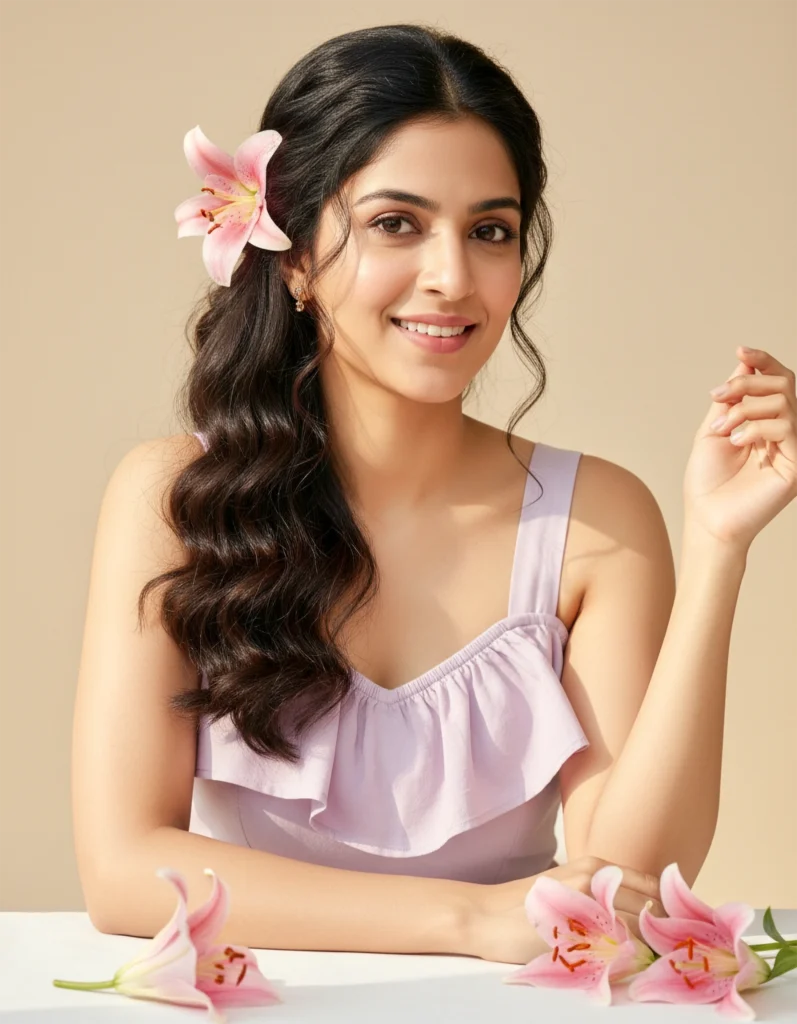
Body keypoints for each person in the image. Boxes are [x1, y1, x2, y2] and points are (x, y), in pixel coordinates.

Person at [70, 22, 797, 967]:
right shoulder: (172, 500)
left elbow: (631, 888)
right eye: (395, 224)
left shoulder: (596, 521)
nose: (452, 279)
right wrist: (468, 919)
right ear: (291, 255)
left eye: (489, 230)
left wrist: (718, 550)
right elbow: (123, 871)